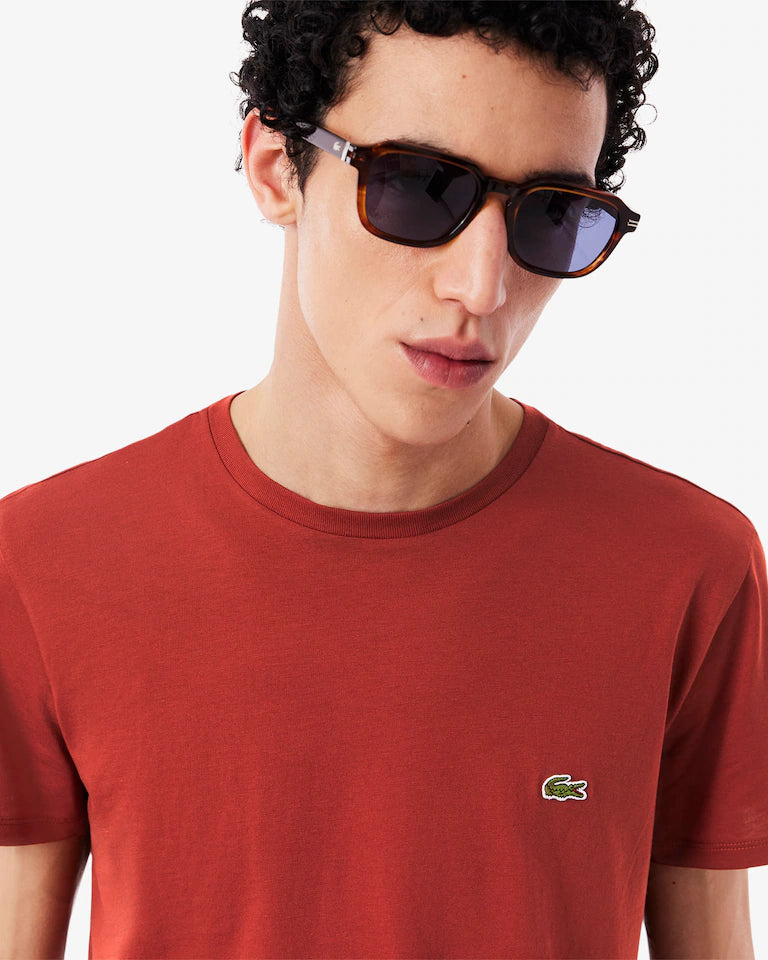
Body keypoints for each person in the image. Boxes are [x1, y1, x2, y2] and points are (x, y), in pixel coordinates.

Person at [0, 1, 765, 957]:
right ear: (277, 168)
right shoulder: (43, 564)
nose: (481, 287)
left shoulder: (685, 567)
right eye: (418, 188)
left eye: (550, 215)